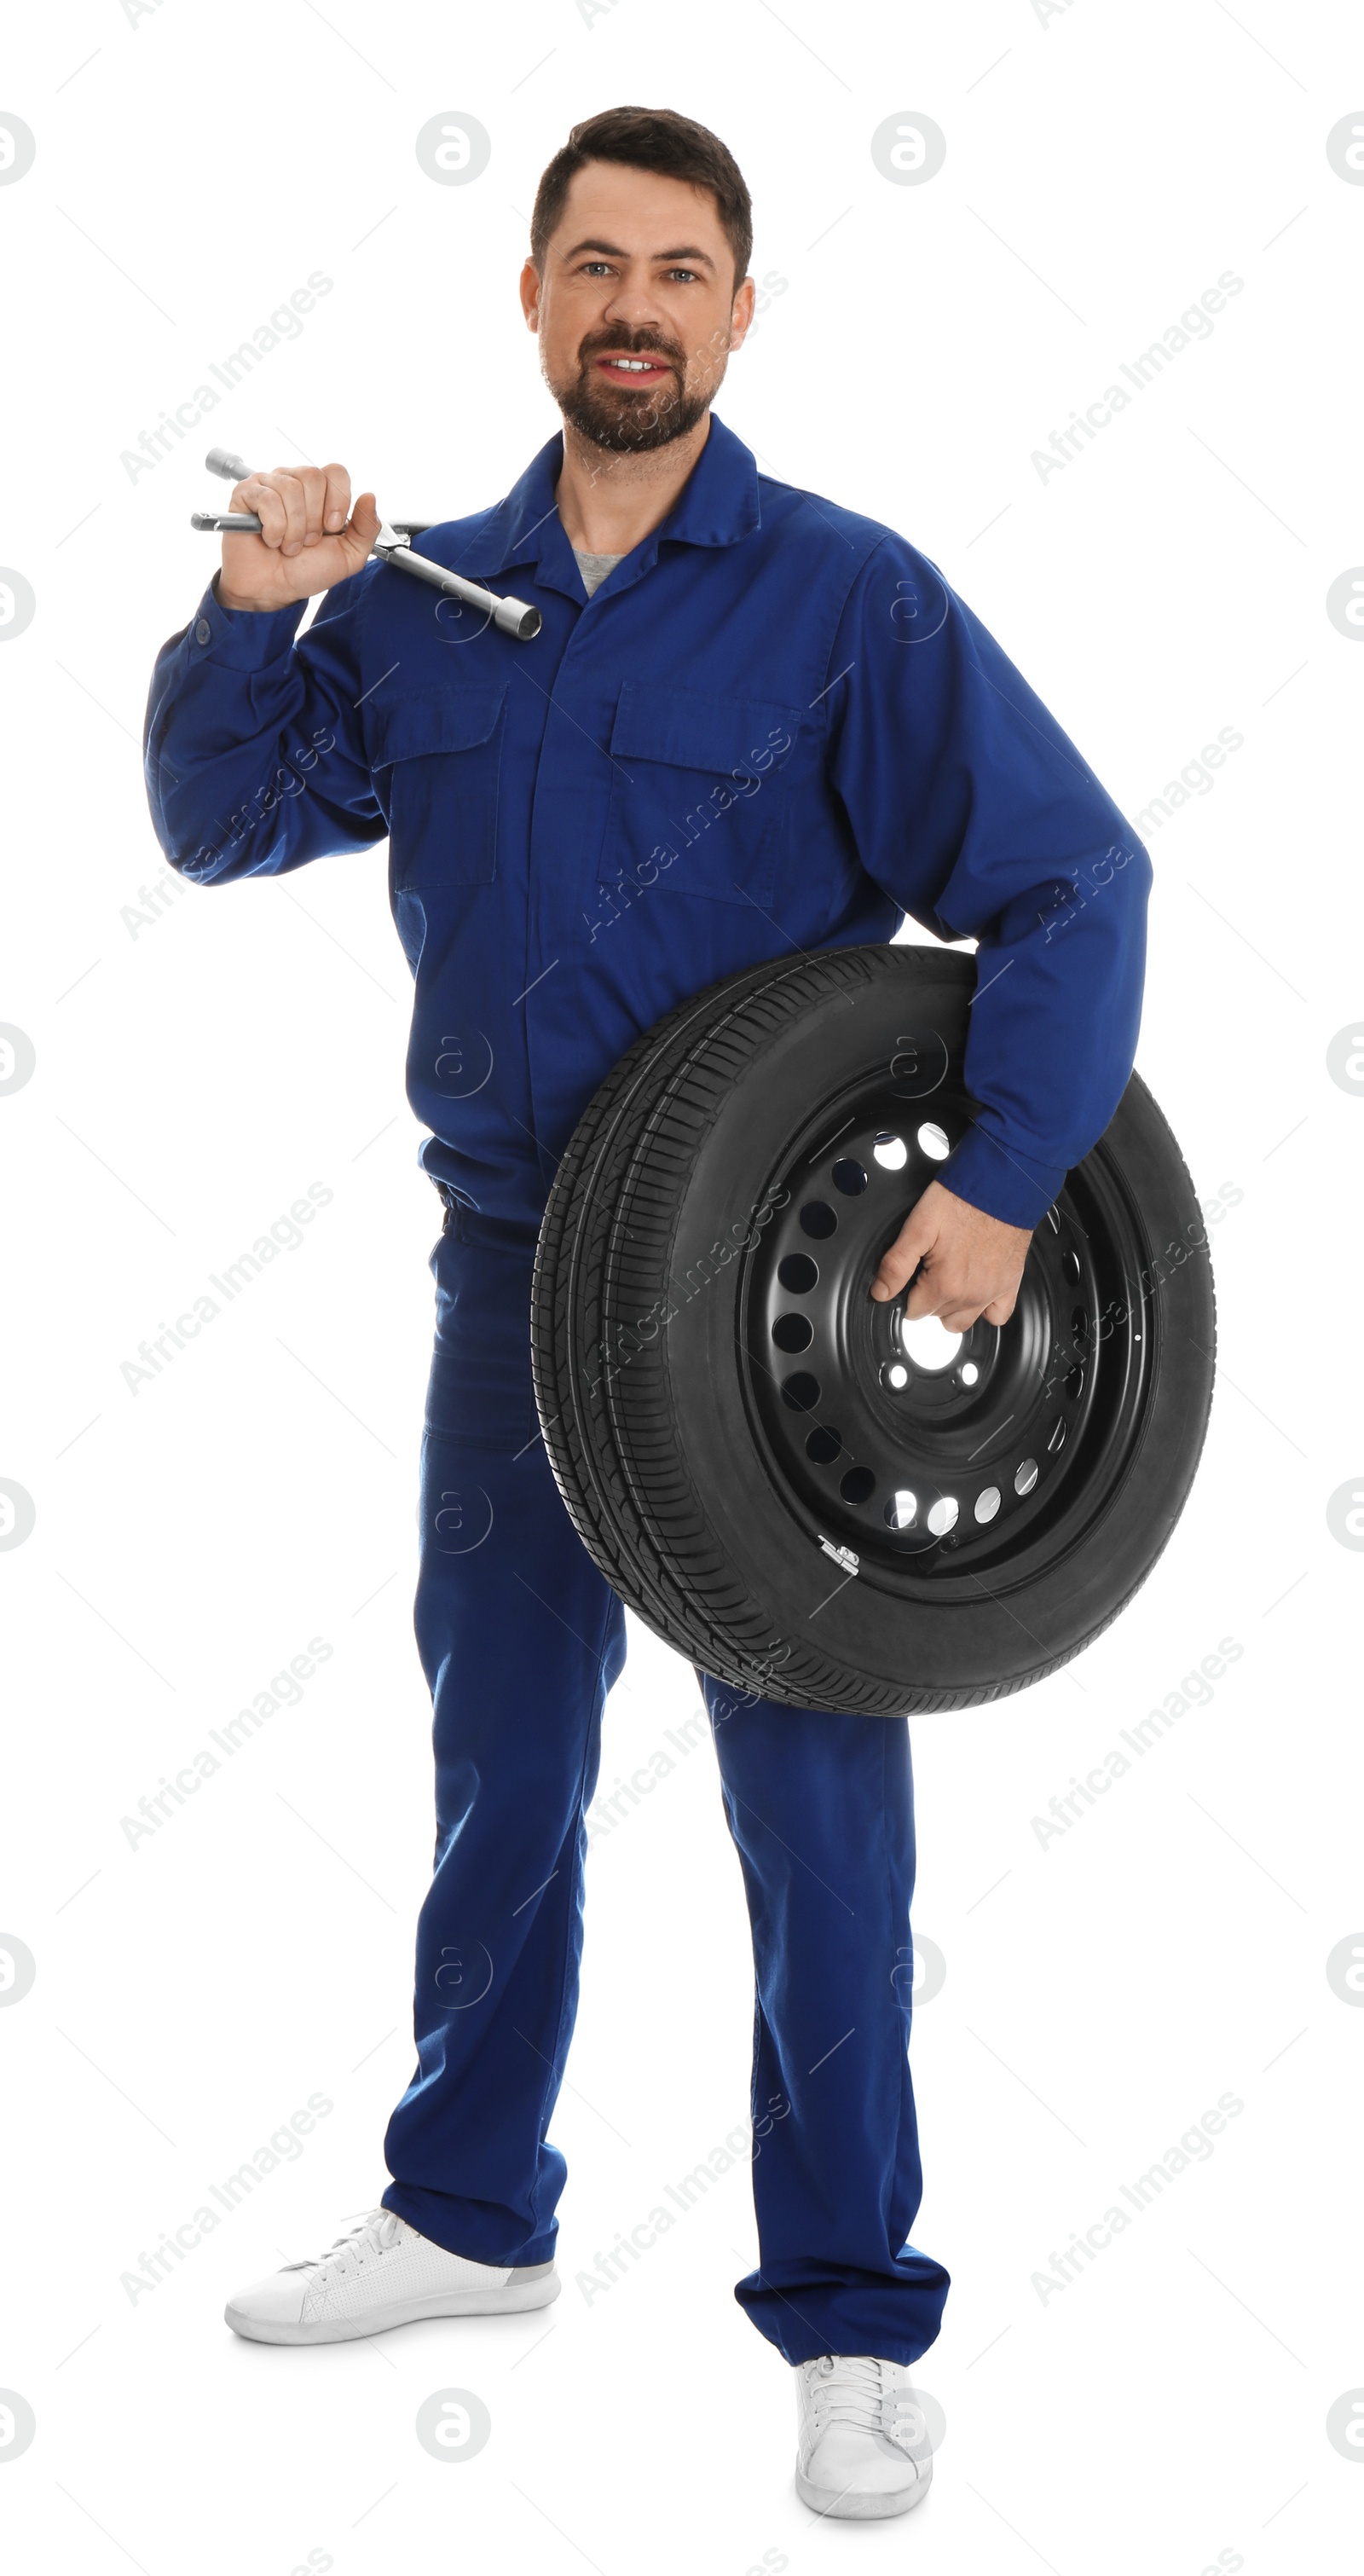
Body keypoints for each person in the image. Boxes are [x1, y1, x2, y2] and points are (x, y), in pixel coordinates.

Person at [142, 106, 1149, 2520]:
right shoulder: (423, 597)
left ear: (739, 311)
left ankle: (850, 2323)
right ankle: (467, 2211)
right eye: (596, 262)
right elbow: (219, 821)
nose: (637, 305)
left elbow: (1073, 876)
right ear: (530, 296)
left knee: (817, 1815)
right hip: (511, 1282)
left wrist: (1011, 1188)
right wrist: (254, 605)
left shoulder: (846, 603)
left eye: (682, 271)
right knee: (503, 1762)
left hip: (763, 1321)